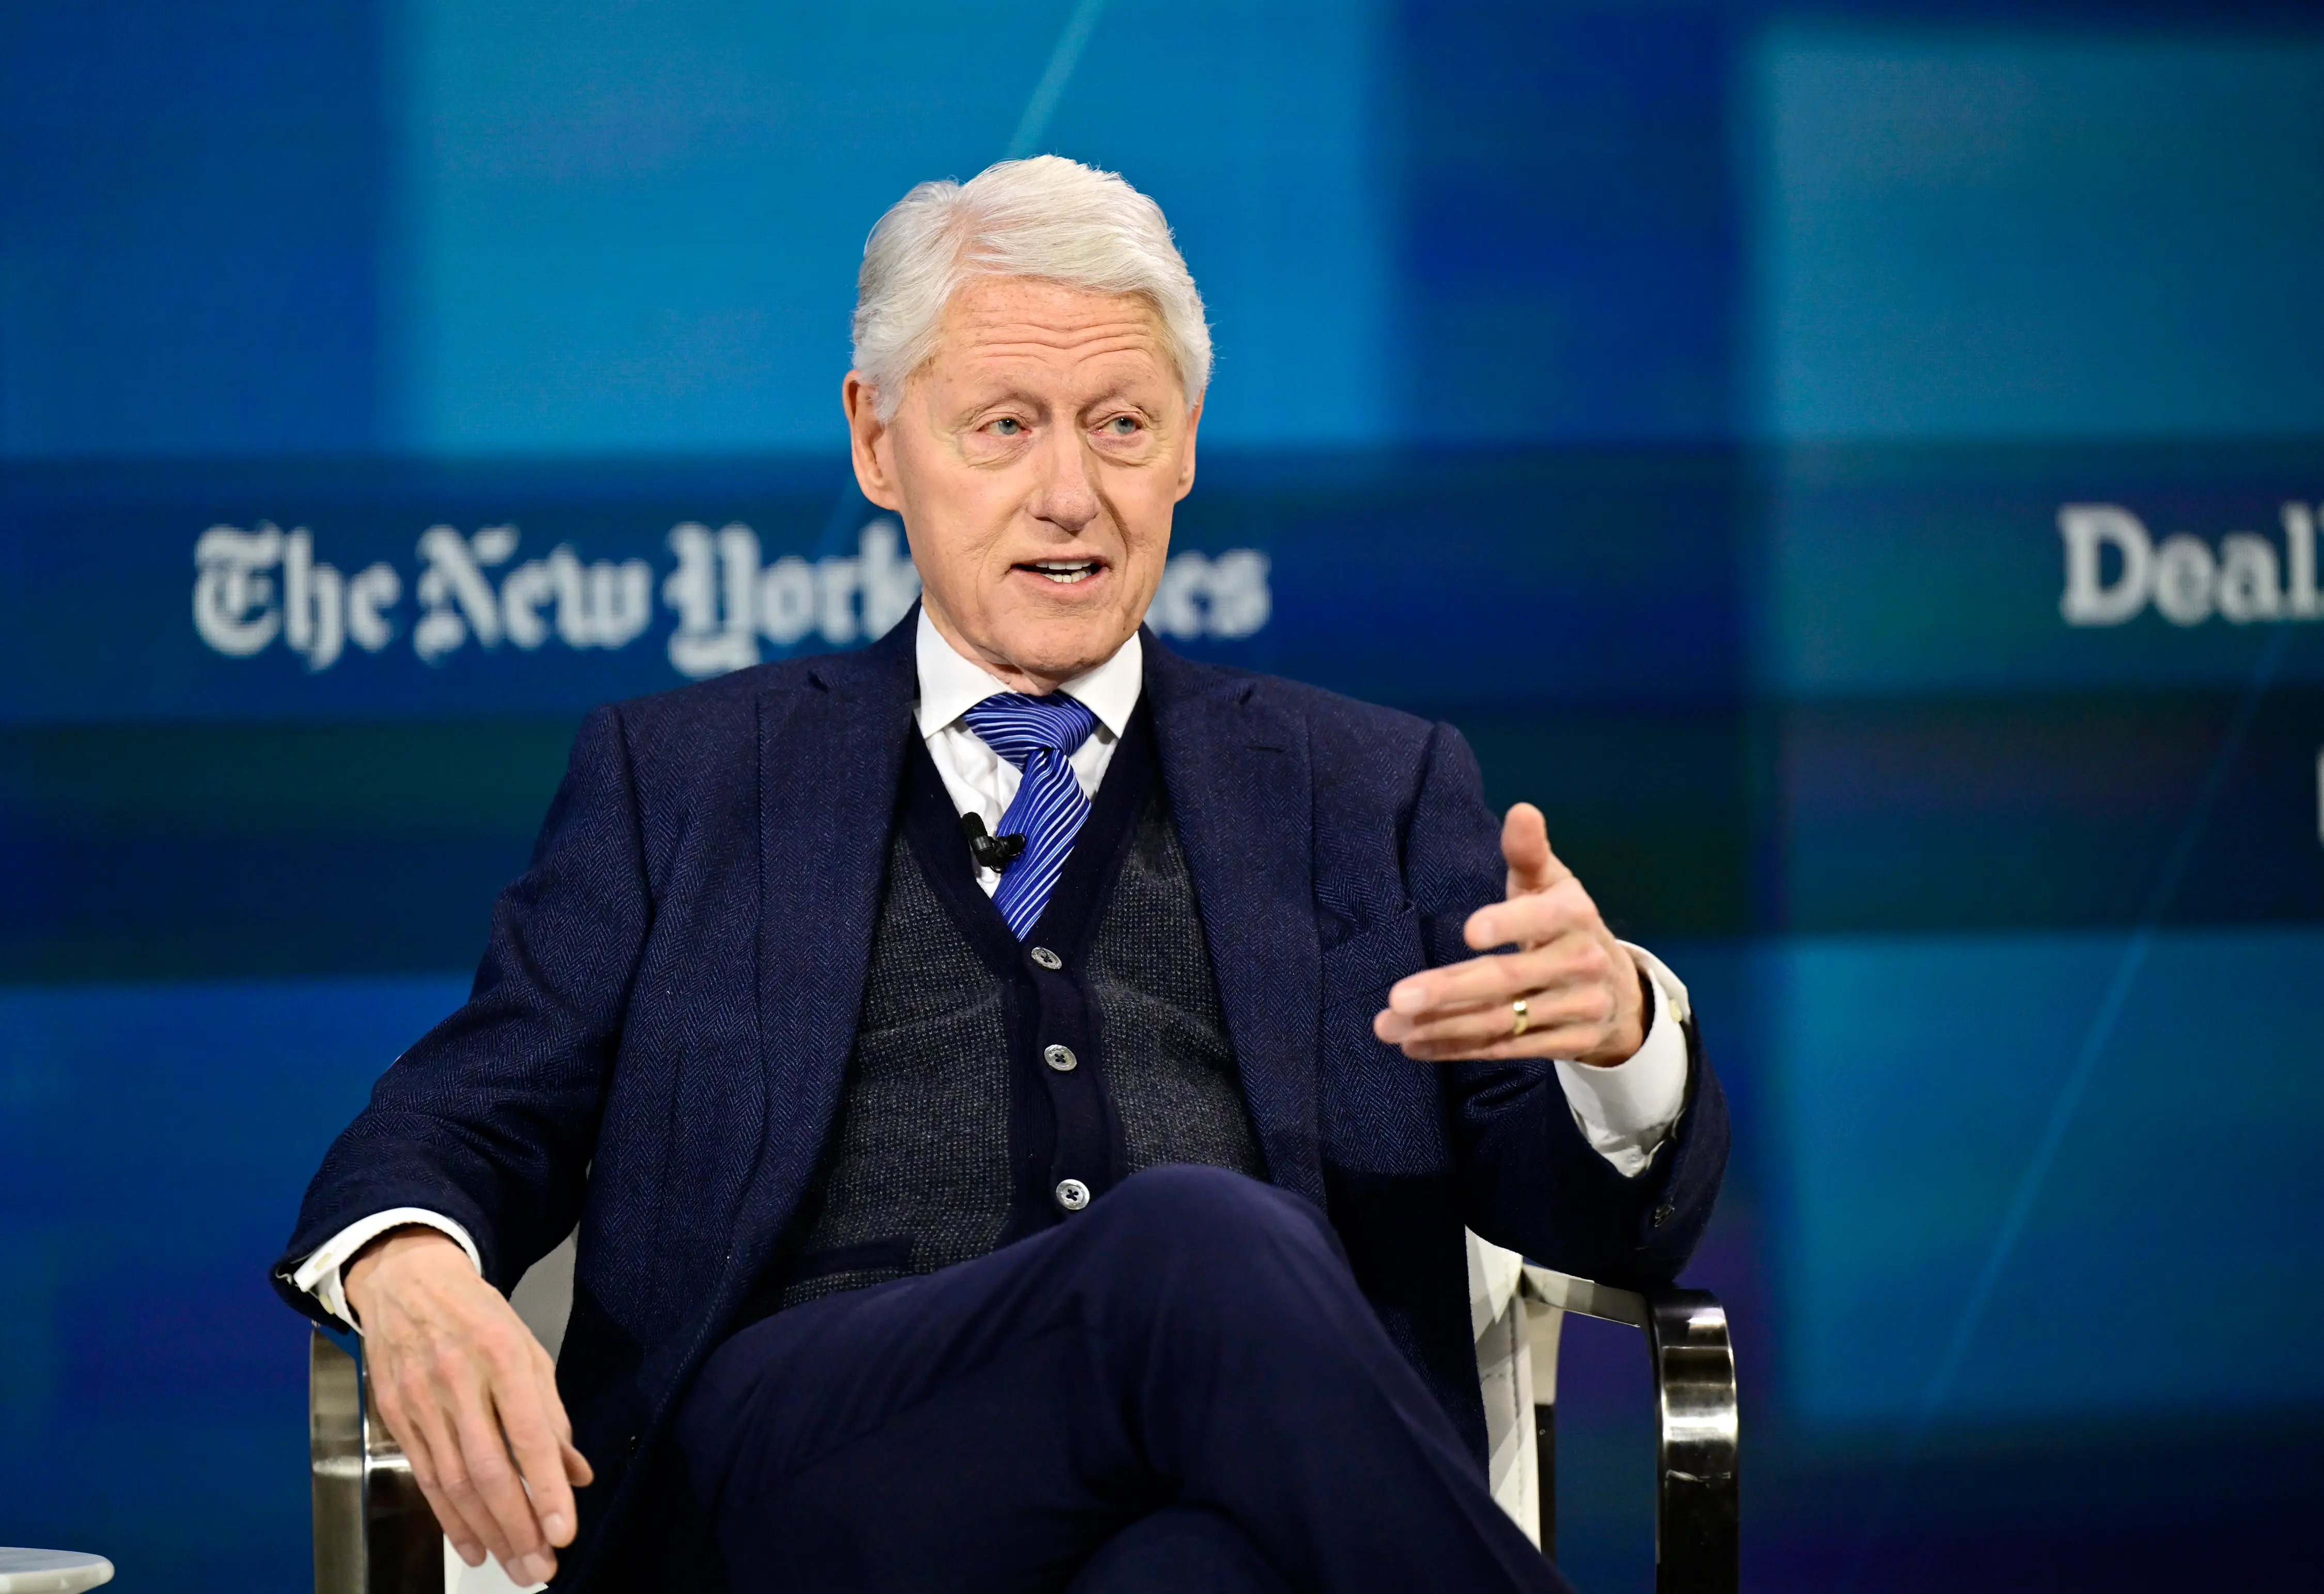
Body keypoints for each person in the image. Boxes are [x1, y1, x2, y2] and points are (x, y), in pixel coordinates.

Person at [274, 156, 1727, 1594]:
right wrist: (407, 1268)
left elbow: (1585, 1223)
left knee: (1187, 1572)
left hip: (1212, 1493)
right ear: (876, 440)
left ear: (1186, 447)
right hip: (795, 1487)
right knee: (1196, 1239)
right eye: (1005, 427)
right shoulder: (686, 780)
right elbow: (462, 1112)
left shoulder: (1369, 786)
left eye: (1117, 425)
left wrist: (1616, 1037)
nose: (1068, 495)